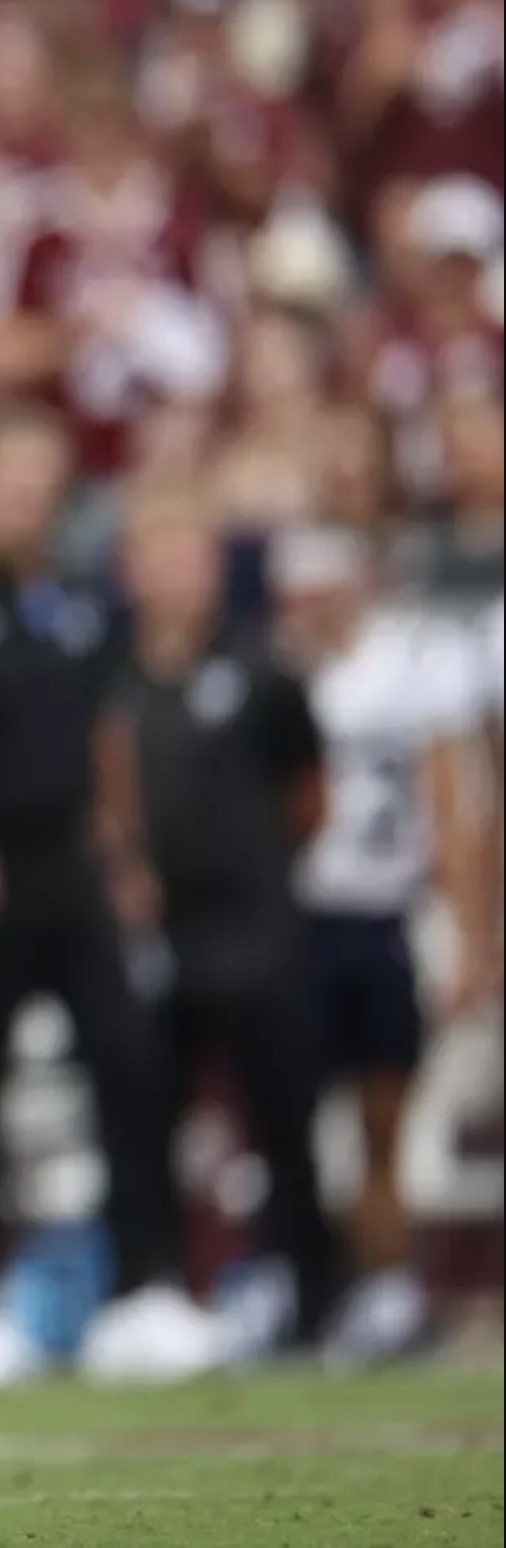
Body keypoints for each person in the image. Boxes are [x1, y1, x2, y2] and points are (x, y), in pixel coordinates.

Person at [0, 408, 208, 1391]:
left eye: (41, 482)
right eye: (10, 479)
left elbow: (101, 734)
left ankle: (143, 1286)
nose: (26, 499)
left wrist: (121, 848)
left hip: (68, 863)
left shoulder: (69, 597)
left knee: (127, 1059)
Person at [104, 486, 343, 1365]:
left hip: (257, 926)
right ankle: (162, 1294)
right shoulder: (113, 677)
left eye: (196, 556)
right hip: (162, 935)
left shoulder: (262, 669)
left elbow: (310, 797)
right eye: (165, 555)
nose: (183, 575)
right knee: (146, 1115)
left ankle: (313, 1300)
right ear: (132, 571)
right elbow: (105, 788)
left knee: (283, 1118)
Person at [274, 523, 490, 1361]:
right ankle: (320, 1287)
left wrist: (472, 930)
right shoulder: (277, 671)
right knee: (301, 1115)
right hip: (298, 913)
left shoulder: (413, 663)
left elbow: (453, 801)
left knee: (389, 1110)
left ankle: (391, 1286)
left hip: (388, 904)